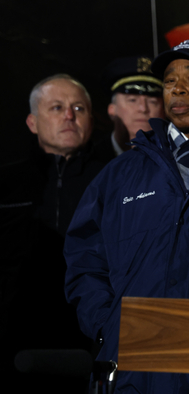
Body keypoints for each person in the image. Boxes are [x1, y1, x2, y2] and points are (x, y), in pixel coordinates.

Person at [64, 39, 189, 393]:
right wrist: (107, 324)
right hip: (130, 374)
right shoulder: (119, 173)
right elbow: (84, 259)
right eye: (170, 80)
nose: (178, 88)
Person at [1, 74, 106, 392]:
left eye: (78, 108)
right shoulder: (6, 183)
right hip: (12, 338)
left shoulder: (116, 179)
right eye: (57, 107)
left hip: (89, 338)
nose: (69, 116)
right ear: (32, 122)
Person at [98, 56, 165, 159]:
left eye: (153, 102)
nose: (143, 108)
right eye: (132, 100)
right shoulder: (91, 162)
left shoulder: (179, 160)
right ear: (112, 109)